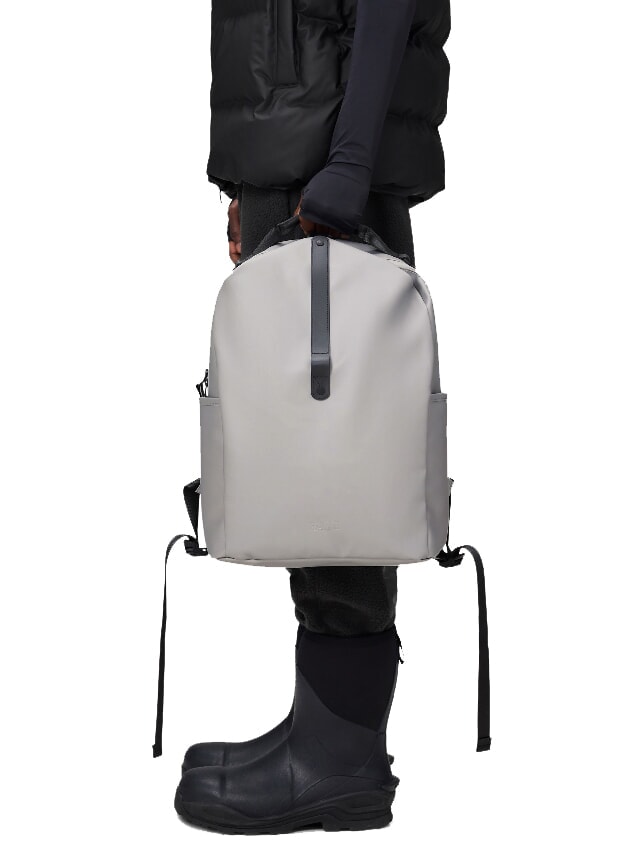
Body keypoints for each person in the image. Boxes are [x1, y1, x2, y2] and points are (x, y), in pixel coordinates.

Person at [174, 0, 450, 834]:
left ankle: (339, 757)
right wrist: (246, 178)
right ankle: (325, 728)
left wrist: (349, 162)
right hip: (298, 148)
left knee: (337, 456)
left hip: (327, 155)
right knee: (306, 453)